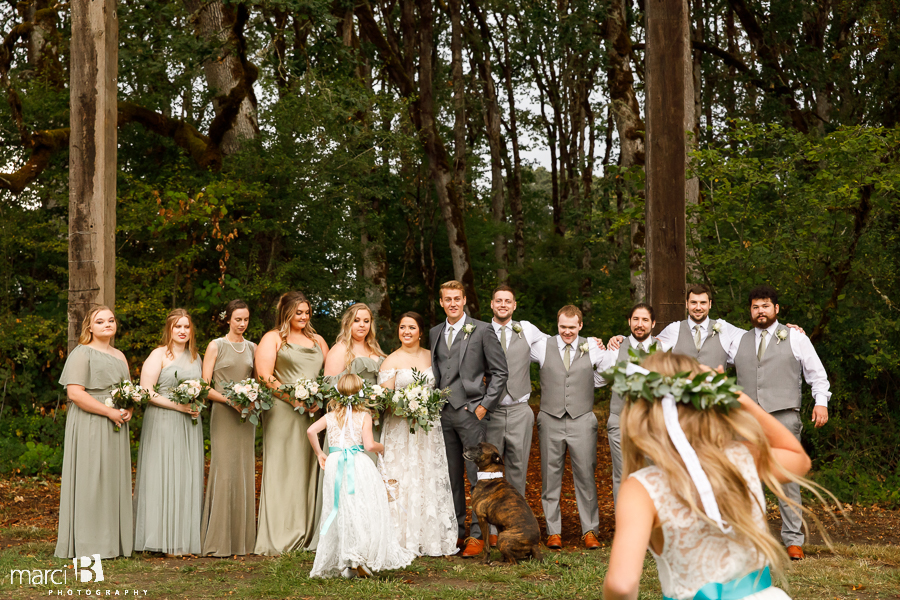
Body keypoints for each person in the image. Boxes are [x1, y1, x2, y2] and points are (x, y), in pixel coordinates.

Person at [603, 351, 820, 600]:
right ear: (707, 404)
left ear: (641, 413)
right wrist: (743, 402)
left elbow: (622, 584)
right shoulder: (741, 457)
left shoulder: (642, 488)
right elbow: (799, 460)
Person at [728, 285, 831, 561]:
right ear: (750, 310)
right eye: (755, 306)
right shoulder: (737, 340)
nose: (760, 311)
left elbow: (816, 375)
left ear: (776, 308)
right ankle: (751, 537)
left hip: (784, 414)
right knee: (747, 478)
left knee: (786, 478)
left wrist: (821, 401)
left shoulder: (796, 338)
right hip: (747, 418)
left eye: (765, 306)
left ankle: (793, 540)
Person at [307, 374, 416, 579]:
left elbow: (311, 431)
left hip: (335, 463)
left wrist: (320, 453)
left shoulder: (330, 416)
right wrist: (381, 447)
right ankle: (358, 558)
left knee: (339, 508)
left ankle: (347, 561)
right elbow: (368, 446)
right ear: (361, 393)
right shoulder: (364, 416)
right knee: (361, 507)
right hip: (357, 463)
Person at [429, 281, 508, 558]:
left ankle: (477, 535)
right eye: (447, 299)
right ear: (441, 302)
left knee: (477, 477)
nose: (452, 303)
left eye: (456, 298)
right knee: (449, 477)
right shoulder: (435, 332)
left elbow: (500, 372)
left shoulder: (482, 329)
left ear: (464, 300)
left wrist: (484, 407)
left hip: (472, 413)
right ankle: (455, 534)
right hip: (443, 413)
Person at [531, 305, 616, 550]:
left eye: (572, 327)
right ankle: (553, 531)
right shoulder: (542, 346)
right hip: (550, 418)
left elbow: (608, 371)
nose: (567, 332)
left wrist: (592, 382)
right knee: (550, 477)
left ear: (580, 326)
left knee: (586, 477)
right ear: (557, 326)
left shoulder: (592, 347)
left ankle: (590, 531)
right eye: (562, 327)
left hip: (582, 419)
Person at [254, 291, 329, 555]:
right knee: (283, 466)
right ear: (286, 312)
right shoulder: (273, 338)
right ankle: (280, 535)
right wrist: (293, 398)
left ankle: (307, 531)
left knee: (308, 466)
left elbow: (327, 377)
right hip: (282, 411)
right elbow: (264, 376)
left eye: (307, 312)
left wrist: (318, 399)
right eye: (298, 312)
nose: (304, 317)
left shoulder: (318, 340)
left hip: (312, 412)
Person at [56, 306, 134, 559]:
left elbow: (127, 389)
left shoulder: (120, 355)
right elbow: (75, 393)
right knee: (91, 480)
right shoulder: (81, 353)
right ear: (90, 327)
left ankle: (113, 542)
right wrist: (108, 412)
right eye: (100, 321)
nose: (107, 324)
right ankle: (90, 544)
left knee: (112, 479)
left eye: (111, 320)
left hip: (116, 423)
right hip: (90, 422)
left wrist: (129, 407)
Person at [378, 312, 458, 556]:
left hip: (428, 429)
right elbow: (385, 400)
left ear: (421, 332)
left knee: (426, 476)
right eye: (402, 327)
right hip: (400, 429)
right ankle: (399, 537)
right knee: (402, 476)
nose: (406, 332)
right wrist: (407, 406)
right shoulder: (390, 360)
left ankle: (430, 537)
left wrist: (425, 406)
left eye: (412, 327)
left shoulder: (432, 357)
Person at [134, 308, 204, 556]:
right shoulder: (159, 355)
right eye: (178, 327)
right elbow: (146, 392)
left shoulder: (197, 357)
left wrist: (195, 407)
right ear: (170, 329)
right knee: (162, 474)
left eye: (186, 326)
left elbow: (201, 390)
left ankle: (181, 537)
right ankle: (159, 538)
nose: (183, 331)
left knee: (184, 475)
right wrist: (179, 406)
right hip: (163, 420)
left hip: (188, 425)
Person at [485, 284, 548, 544]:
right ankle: (490, 532)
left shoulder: (529, 330)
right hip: (492, 411)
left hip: (521, 410)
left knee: (518, 470)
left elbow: (556, 345)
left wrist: (593, 343)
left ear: (514, 305)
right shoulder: (481, 331)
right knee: (489, 472)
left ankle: (516, 528)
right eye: (498, 300)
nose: (503, 304)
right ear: (492, 304)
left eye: (507, 301)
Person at [200, 299, 257, 557]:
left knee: (244, 469)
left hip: (245, 418)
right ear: (227, 319)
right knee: (224, 469)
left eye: (245, 320)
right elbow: (203, 386)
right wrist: (228, 400)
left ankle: (242, 541)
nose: (242, 324)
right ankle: (218, 540)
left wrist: (251, 399)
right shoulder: (216, 345)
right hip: (224, 413)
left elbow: (258, 382)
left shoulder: (253, 348)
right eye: (238, 319)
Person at [653, 284, 804, 370]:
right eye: (693, 303)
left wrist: (785, 332)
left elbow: (759, 337)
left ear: (710, 304)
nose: (698, 307)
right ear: (686, 305)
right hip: (681, 404)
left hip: (715, 405)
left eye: (703, 303)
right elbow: (648, 348)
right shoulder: (674, 330)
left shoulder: (724, 328)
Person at [603, 303, 660, 502]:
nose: (640, 324)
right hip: (620, 422)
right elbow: (599, 378)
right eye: (635, 319)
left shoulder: (664, 349)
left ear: (653, 323)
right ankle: (625, 529)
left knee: (653, 476)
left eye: (645, 320)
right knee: (623, 476)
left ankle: (651, 529)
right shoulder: (615, 349)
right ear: (629, 322)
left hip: (652, 425)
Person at [324, 303, 387, 462]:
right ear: (347, 323)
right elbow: (330, 387)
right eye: (357, 320)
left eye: (366, 321)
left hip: (374, 418)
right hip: (349, 422)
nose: (362, 325)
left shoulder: (375, 348)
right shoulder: (340, 349)